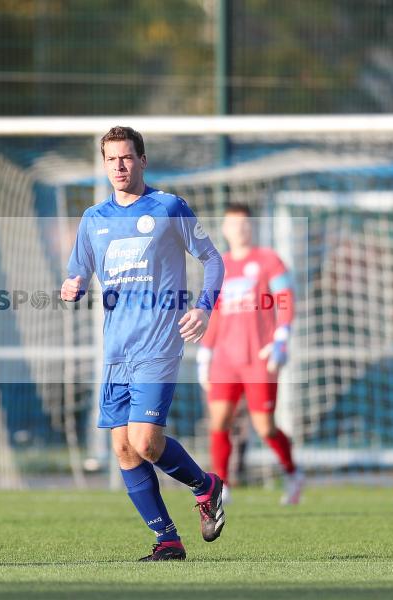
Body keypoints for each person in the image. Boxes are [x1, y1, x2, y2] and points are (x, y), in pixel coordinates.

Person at [61, 126, 225, 561]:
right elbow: (79, 271)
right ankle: (168, 541)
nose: (119, 165)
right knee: (122, 448)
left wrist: (205, 307)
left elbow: (212, 259)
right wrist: (73, 284)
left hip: (158, 344)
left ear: (142, 160)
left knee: (146, 442)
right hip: (116, 351)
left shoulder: (169, 207)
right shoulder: (93, 219)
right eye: (111, 159)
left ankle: (205, 486)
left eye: (126, 157)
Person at [197, 203, 304, 505]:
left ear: (252, 227)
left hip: (259, 358)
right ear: (225, 229)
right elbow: (215, 313)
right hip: (225, 360)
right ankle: (222, 486)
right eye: (233, 224)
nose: (240, 229)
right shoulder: (219, 266)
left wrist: (282, 338)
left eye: (245, 224)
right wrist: (205, 352)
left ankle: (293, 472)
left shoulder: (269, 261)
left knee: (264, 426)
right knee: (219, 422)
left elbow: (285, 299)